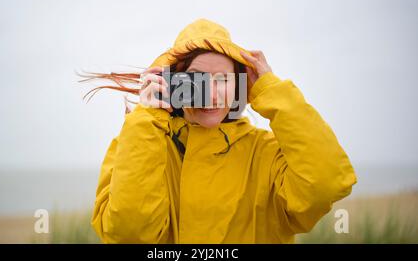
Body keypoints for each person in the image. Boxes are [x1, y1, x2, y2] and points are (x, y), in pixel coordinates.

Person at [86, 18, 357, 243]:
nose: (213, 95)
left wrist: (272, 91)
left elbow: (326, 184)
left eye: (223, 80)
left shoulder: (265, 153)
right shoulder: (137, 143)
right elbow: (128, 234)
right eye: (198, 80)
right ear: (173, 81)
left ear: (241, 85)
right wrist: (147, 120)